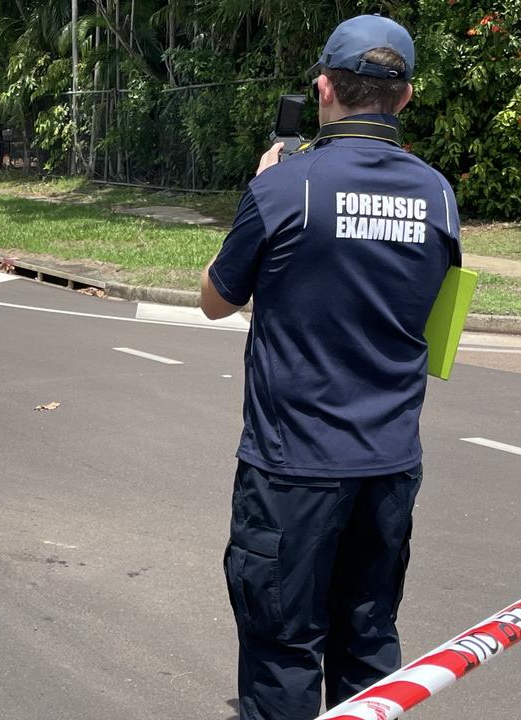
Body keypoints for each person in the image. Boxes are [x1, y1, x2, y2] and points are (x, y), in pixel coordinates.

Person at [198, 16, 462, 720]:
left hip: (293, 471)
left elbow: (214, 300)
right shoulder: (439, 197)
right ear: (404, 98)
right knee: (368, 642)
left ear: (323, 89)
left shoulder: (288, 188)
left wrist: (258, 190)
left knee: (284, 649)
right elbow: (436, 321)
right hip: (389, 467)